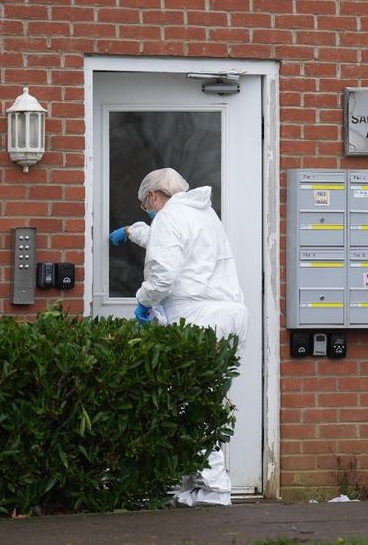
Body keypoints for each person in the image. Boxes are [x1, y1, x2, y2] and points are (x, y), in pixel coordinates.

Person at [109, 167, 247, 506]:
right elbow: (169, 242)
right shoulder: (202, 213)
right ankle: (196, 489)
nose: (149, 211)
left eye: (146, 206)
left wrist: (143, 301)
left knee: (190, 405)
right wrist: (133, 231)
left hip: (199, 318)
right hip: (229, 315)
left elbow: (163, 275)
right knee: (204, 404)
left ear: (153, 196)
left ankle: (214, 490)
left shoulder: (170, 217)